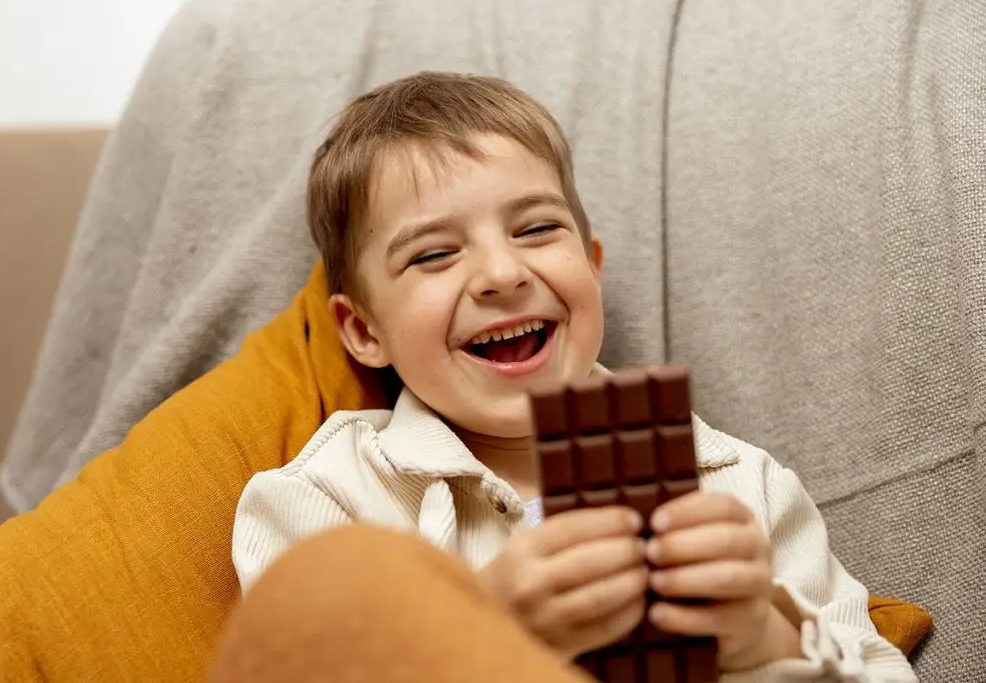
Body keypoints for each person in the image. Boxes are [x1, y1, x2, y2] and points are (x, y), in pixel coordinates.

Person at [229, 71, 915, 681]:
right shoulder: (322, 501)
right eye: (435, 253)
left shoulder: (740, 482)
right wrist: (474, 621)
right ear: (364, 330)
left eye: (534, 230)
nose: (502, 274)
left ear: (591, 265)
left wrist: (764, 637)